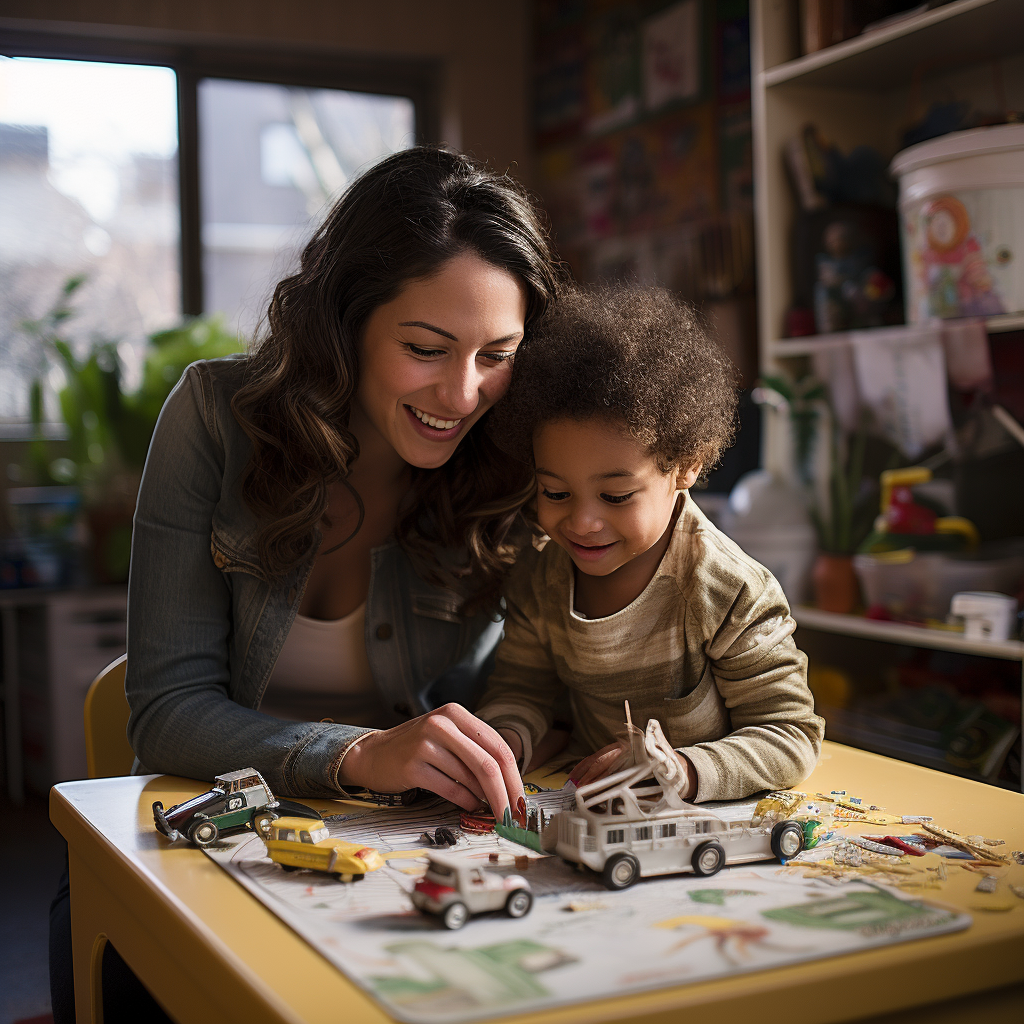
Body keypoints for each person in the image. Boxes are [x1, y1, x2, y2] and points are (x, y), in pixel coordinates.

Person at [50, 146, 561, 1023]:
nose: (464, 393)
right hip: (200, 847)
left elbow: (511, 685)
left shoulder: (512, 462)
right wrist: (358, 753)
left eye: (497, 355)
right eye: (426, 349)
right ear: (346, 323)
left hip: (396, 856)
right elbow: (165, 712)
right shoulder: (213, 419)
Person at [476, 283, 824, 801]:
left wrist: (681, 770)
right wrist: (505, 741)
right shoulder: (541, 573)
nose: (582, 521)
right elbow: (522, 691)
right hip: (592, 808)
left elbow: (790, 735)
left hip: (703, 820)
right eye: (556, 491)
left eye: (616, 496)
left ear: (686, 466)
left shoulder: (729, 591)